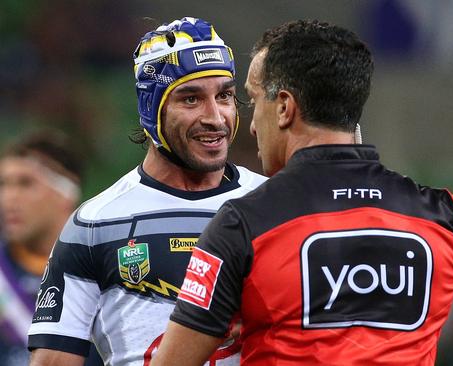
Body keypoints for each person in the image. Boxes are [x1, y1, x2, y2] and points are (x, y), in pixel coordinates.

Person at [151, 20, 453, 365]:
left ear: (284, 107)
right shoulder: (445, 217)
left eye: (253, 98)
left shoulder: (241, 226)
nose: (249, 121)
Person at [27, 17, 266, 366]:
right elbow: (53, 360)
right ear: (150, 109)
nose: (216, 117)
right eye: (191, 99)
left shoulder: (273, 204)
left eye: (225, 95)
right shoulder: (95, 224)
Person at [0, 131, 102, 366]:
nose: (9, 198)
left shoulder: (103, 272)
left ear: (66, 194)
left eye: (25, 183)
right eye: (3, 184)